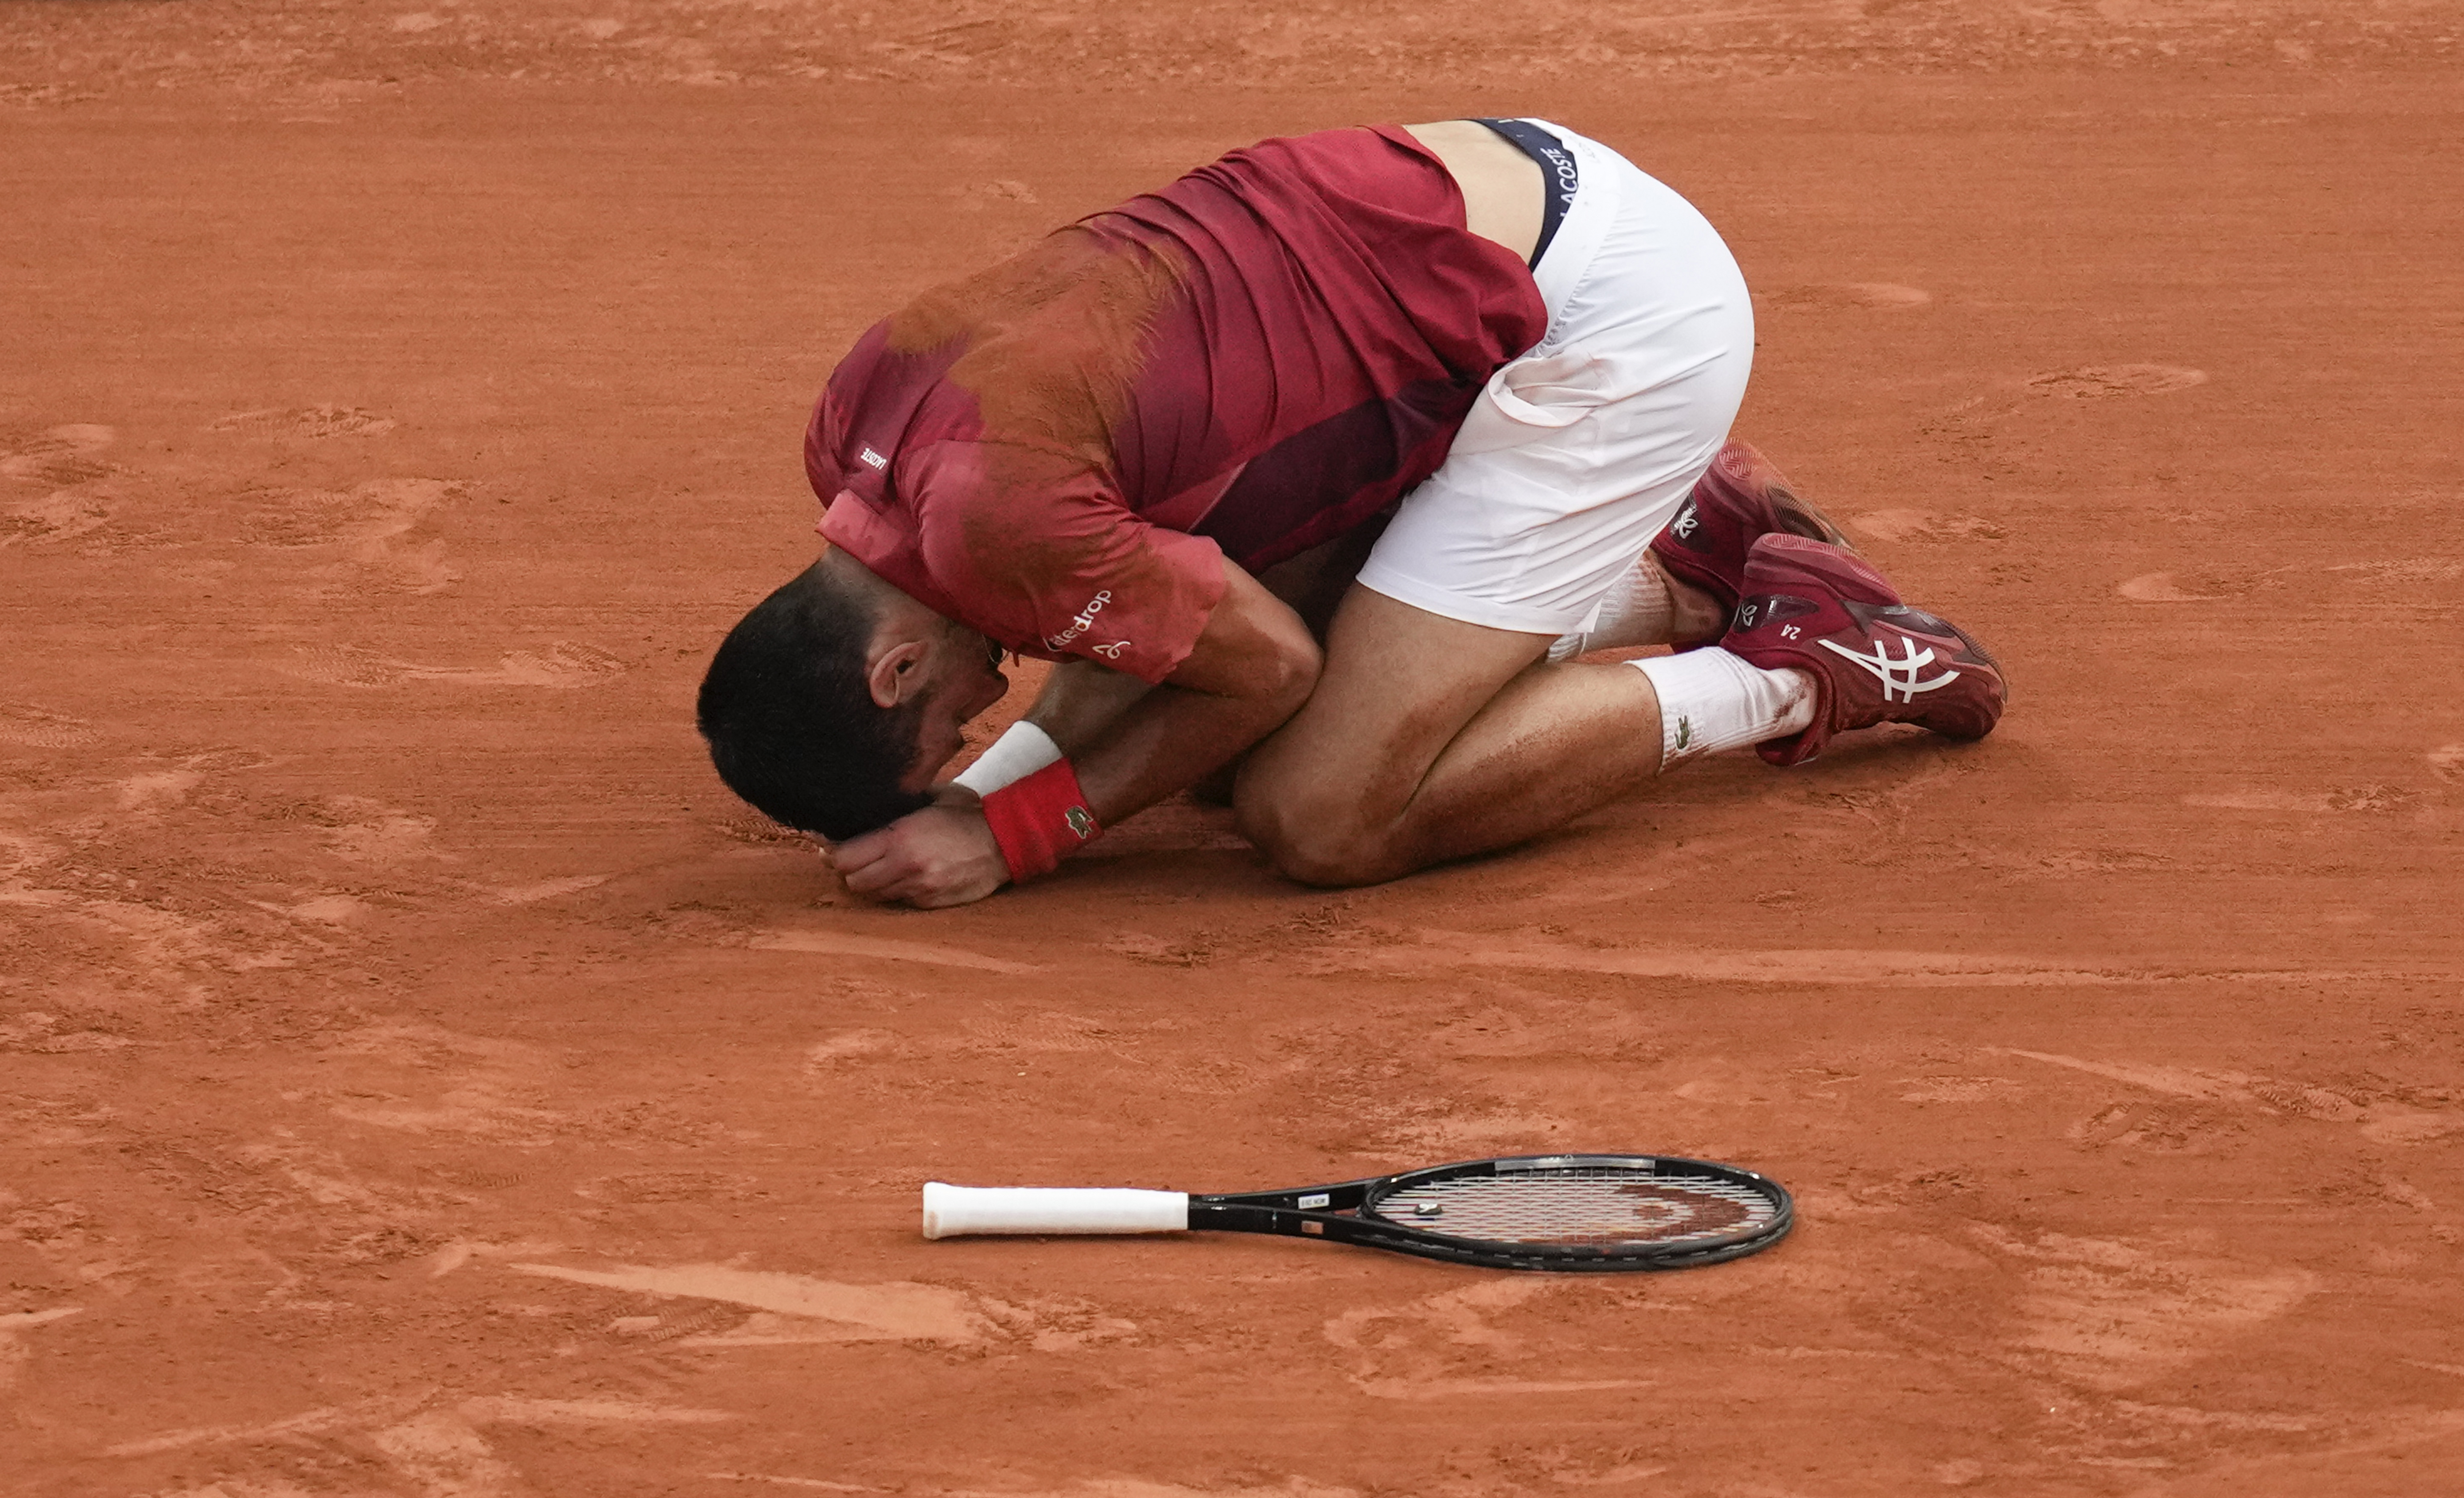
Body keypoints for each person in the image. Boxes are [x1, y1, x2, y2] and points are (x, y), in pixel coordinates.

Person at [697, 119, 2005, 907]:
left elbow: (1265, 668)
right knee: (1173, 711)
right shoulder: (853, 434)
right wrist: (967, 809)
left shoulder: (997, 524)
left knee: (1318, 811)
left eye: (949, 721)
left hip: (1608, 327)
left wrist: (1017, 832)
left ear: (894, 665)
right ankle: (1677, 552)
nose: (990, 696)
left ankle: (1802, 662)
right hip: (1477, 180)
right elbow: (1124, 640)